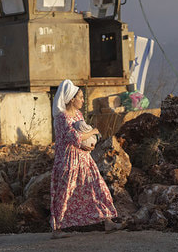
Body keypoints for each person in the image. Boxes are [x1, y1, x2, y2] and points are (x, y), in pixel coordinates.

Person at [50, 79, 120, 239]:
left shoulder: (79, 114)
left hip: (84, 158)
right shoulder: (61, 118)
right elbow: (73, 137)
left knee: (97, 186)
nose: (82, 100)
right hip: (67, 161)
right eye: (80, 97)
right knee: (65, 193)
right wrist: (94, 131)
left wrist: (88, 145)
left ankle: (108, 221)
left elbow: (81, 139)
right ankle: (57, 229)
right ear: (71, 99)